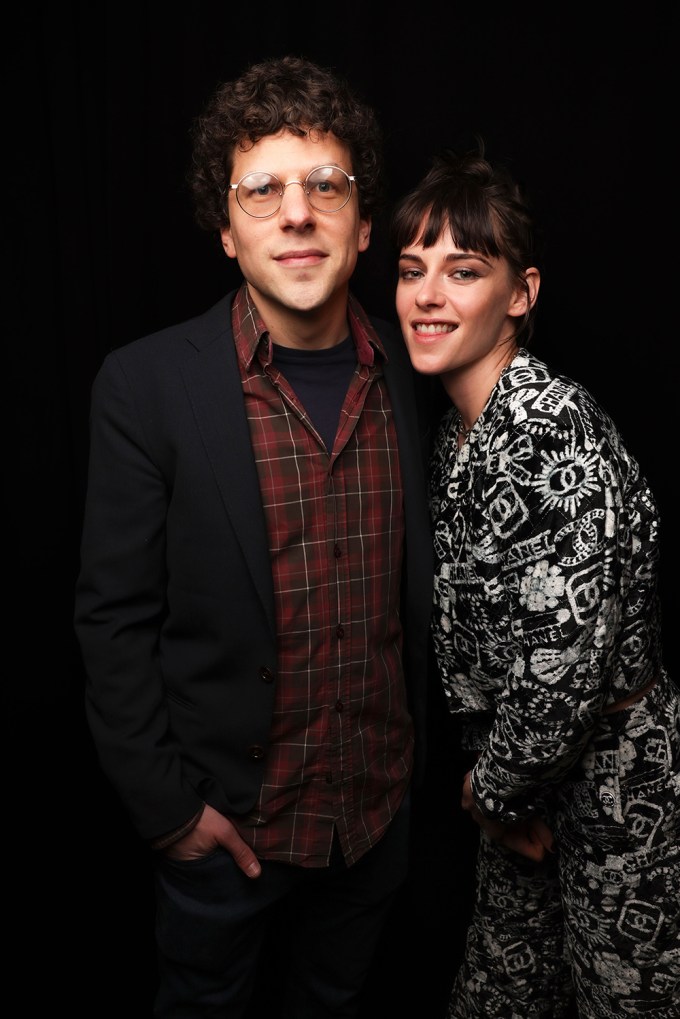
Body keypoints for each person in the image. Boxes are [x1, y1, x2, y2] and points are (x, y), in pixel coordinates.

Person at [74, 55, 433, 1019]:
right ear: (227, 230)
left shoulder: (412, 367)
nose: (296, 211)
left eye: (325, 183)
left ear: (363, 226)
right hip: (226, 833)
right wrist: (170, 813)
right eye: (262, 189)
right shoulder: (147, 386)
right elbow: (111, 619)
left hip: (371, 825)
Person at [392, 144, 680, 1019]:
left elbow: (563, 673)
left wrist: (488, 792)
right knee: (500, 999)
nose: (428, 295)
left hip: (615, 791)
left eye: (463, 270)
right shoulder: (458, 435)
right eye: (412, 270)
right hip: (520, 788)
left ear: (520, 294)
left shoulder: (547, 430)